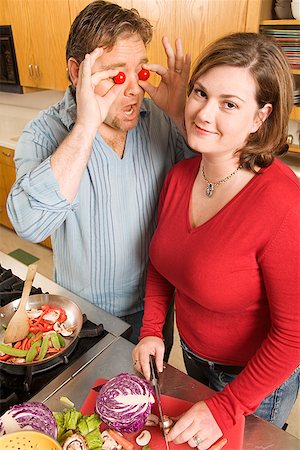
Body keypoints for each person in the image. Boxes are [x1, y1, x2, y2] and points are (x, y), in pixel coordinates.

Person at [133, 32, 300, 449]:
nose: (204, 113)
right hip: (190, 355)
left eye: (229, 104)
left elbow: (294, 335)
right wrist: (153, 329)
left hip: (254, 377)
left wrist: (227, 407)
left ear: (261, 116)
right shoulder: (181, 176)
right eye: (200, 92)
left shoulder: (283, 203)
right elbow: (162, 260)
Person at [6, 0, 192, 351]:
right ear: (78, 73)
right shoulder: (44, 133)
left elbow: (209, 191)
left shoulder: (161, 120)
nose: (135, 89)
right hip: (81, 316)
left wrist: (182, 114)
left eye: (140, 72)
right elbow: (29, 225)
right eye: (117, 75)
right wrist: (86, 125)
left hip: (153, 315)